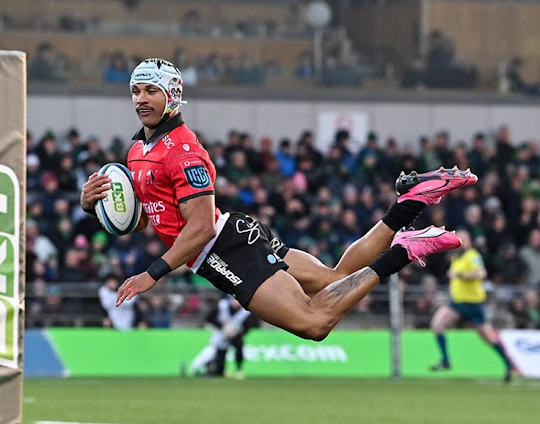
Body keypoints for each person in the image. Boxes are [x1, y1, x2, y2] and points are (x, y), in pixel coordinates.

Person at [80, 57, 477, 342]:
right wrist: (94, 206)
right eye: (136, 90)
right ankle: (407, 204)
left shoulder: (183, 150)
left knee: (314, 323)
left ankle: (402, 251)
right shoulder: (138, 149)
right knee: (335, 279)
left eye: (152, 90)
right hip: (235, 234)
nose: (141, 98)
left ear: (173, 96)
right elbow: (153, 218)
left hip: (225, 249)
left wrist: (152, 273)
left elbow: (198, 227)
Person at [429, 229, 517, 382]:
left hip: (473, 304)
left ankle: (508, 364)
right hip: (457, 302)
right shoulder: (456, 257)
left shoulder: (473, 256)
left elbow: (481, 273)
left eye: (463, 238)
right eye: (458, 238)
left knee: (487, 337)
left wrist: (462, 276)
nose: (459, 241)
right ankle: (445, 360)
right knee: (437, 324)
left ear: (469, 241)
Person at [191, 295, 259, 378]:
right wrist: (221, 326)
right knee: (219, 352)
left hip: (236, 335)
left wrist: (239, 332)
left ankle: (238, 370)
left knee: (239, 349)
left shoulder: (245, 311)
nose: (236, 302)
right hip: (221, 333)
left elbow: (251, 325)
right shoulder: (222, 306)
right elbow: (209, 318)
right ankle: (218, 371)